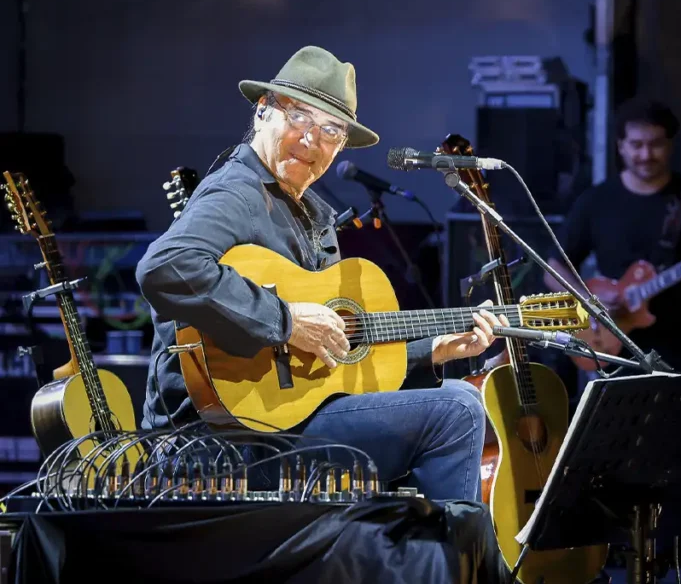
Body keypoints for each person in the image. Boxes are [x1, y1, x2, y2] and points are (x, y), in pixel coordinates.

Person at [136, 45, 509, 503]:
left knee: (464, 398)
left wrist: (432, 351)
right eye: (299, 118)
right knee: (456, 409)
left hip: (284, 420)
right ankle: (459, 567)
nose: (312, 140)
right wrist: (286, 320)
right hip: (218, 440)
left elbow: (330, 358)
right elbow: (165, 266)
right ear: (263, 112)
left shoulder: (314, 215)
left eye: (331, 130)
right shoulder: (236, 193)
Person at [543, 97, 681, 582]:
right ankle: (611, 563)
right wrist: (591, 301)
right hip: (619, 353)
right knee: (615, 461)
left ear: (670, 145)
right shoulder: (596, 201)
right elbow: (554, 267)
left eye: (655, 144)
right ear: (620, 146)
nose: (646, 153)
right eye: (636, 144)